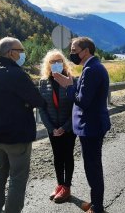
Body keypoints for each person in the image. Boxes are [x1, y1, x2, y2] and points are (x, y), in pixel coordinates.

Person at [0, 37, 45, 213]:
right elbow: (37, 100)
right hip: (16, 137)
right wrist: (26, 103)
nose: (23, 54)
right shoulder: (16, 74)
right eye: (21, 50)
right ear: (11, 53)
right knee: (17, 178)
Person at [53, 37, 111, 213]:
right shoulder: (93, 67)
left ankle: (97, 207)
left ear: (85, 51)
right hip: (93, 125)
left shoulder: (92, 69)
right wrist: (72, 83)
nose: (72, 54)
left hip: (91, 127)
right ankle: (96, 204)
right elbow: (86, 93)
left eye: (74, 50)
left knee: (92, 167)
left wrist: (69, 87)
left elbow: (83, 101)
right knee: (93, 165)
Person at [38, 49, 76, 203]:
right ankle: (59, 185)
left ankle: (67, 187)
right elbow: (41, 108)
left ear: (64, 63)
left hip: (68, 128)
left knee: (67, 156)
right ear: (48, 64)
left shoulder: (71, 80)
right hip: (52, 128)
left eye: (59, 61)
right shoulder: (43, 82)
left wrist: (65, 127)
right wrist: (51, 127)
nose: (56, 64)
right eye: (52, 62)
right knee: (57, 156)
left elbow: (76, 107)